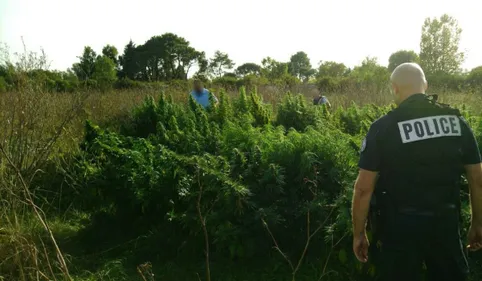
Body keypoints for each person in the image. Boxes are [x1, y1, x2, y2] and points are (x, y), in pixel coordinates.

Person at [351, 62, 482, 281]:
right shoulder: (457, 123)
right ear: (426, 85)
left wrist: (358, 233)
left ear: (394, 88)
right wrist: (478, 223)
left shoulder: (384, 127)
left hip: (400, 230)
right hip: (445, 225)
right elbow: (478, 179)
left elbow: (363, 188)